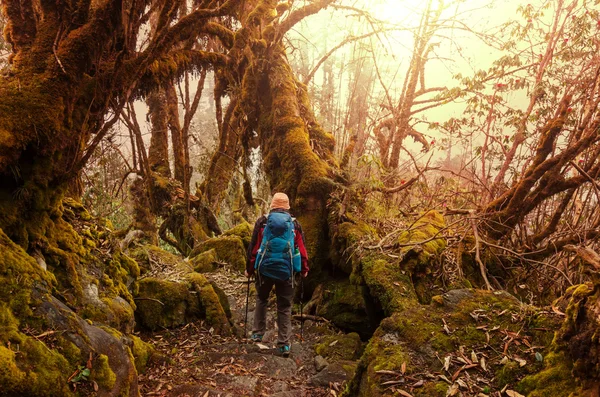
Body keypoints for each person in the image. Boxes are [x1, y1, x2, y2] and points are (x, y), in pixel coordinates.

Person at [245, 192, 309, 357]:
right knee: (284, 306)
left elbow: (254, 247)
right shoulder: (295, 225)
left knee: (262, 299)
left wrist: (249, 268)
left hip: (264, 270)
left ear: (272, 206)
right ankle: (284, 345)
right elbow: (301, 249)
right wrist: (304, 269)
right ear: (287, 207)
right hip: (286, 271)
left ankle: (257, 334)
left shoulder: (263, 222)